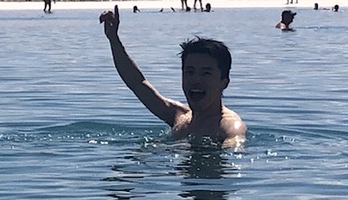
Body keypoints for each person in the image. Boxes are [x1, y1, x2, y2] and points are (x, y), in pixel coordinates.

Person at [99, 8, 246, 147]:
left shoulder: (229, 128)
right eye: (189, 72)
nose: (196, 80)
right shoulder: (180, 117)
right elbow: (137, 83)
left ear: (224, 83)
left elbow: (235, 152)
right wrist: (113, 39)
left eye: (206, 73)